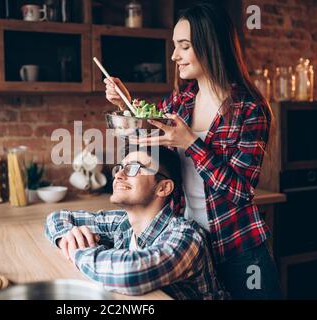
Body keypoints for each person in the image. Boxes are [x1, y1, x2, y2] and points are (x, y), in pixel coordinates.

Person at [103, 3, 281, 299]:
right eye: (175, 46)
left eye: (184, 46)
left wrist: (191, 144)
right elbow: (147, 136)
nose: (174, 56)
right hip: (191, 246)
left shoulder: (250, 109)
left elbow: (240, 191)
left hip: (240, 252)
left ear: (211, 46)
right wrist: (125, 104)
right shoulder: (182, 100)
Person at [45, 146, 227, 299]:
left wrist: (77, 250)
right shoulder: (121, 222)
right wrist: (66, 238)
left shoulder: (187, 237)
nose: (118, 175)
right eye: (120, 168)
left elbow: (131, 274)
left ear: (163, 187)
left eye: (134, 168)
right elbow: (57, 218)